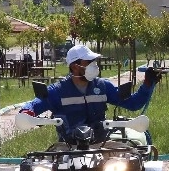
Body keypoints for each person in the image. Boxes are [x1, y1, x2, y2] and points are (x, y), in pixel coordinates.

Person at [18, 44, 161, 143]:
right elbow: (33, 105)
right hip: (68, 148)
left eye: (94, 61)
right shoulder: (57, 91)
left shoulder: (103, 86)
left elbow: (133, 104)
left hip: (101, 145)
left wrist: (147, 84)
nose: (94, 65)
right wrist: (27, 113)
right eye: (89, 62)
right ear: (75, 66)